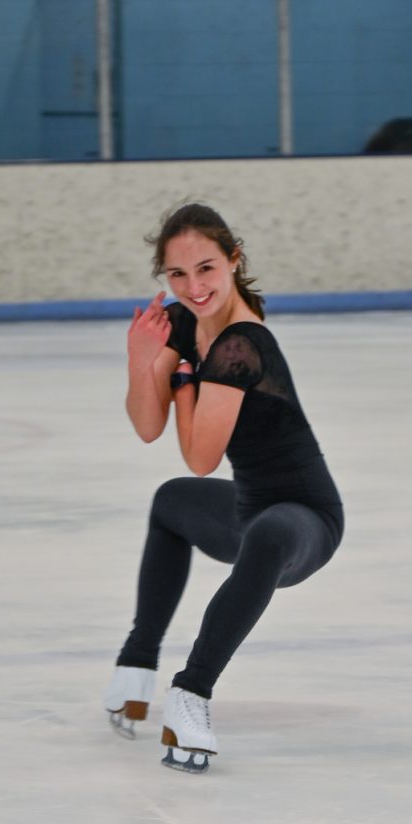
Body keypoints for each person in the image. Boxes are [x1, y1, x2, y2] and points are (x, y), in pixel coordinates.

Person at [103, 203, 344, 774]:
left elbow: (202, 456)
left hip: (305, 519)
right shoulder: (182, 320)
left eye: (206, 269)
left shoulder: (241, 345)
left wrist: (181, 383)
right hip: (249, 507)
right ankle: (136, 666)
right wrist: (142, 362)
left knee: (265, 533)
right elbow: (146, 426)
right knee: (170, 502)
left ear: (234, 261)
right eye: (177, 274)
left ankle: (191, 694)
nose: (193, 286)